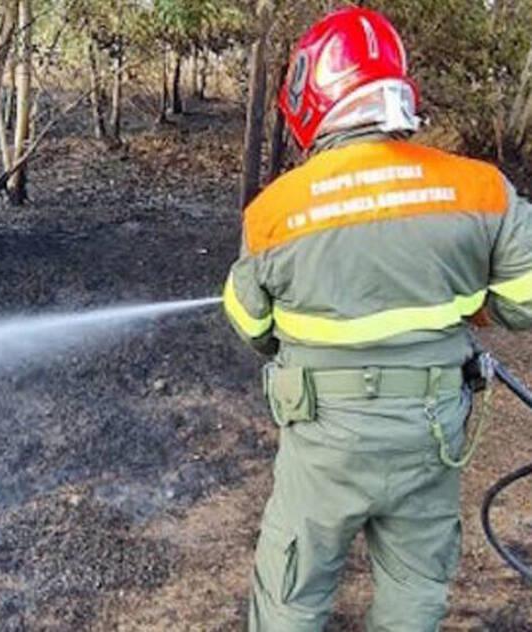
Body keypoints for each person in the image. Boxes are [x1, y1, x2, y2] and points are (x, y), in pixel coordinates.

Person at [222, 7, 532, 631]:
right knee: (416, 588)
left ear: (311, 94)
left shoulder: (274, 213)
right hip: (432, 433)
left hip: (324, 445)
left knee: (293, 587)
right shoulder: (480, 189)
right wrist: (467, 303)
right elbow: (523, 301)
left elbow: (252, 327)